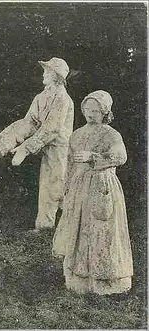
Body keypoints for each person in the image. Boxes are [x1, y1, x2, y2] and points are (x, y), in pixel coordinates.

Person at [0, 57, 74, 229]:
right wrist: (15, 141)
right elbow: (29, 122)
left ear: (56, 75)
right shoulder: (42, 96)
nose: (44, 73)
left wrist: (26, 148)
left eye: (48, 71)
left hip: (58, 146)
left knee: (57, 186)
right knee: (19, 125)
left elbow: (52, 129)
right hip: (41, 141)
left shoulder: (62, 98)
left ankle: (72, 225)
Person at [52, 90, 133, 295]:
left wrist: (93, 157)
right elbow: (69, 164)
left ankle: (106, 280)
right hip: (80, 187)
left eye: (95, 110)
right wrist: (67, 188)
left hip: (102, 186)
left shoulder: (111, 134)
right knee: (79, 228)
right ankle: (79, 277)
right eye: (87, 109)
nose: (90, 113)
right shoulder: (77, 135)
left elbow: (120, 156)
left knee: (102, 230)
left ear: (104, 111)